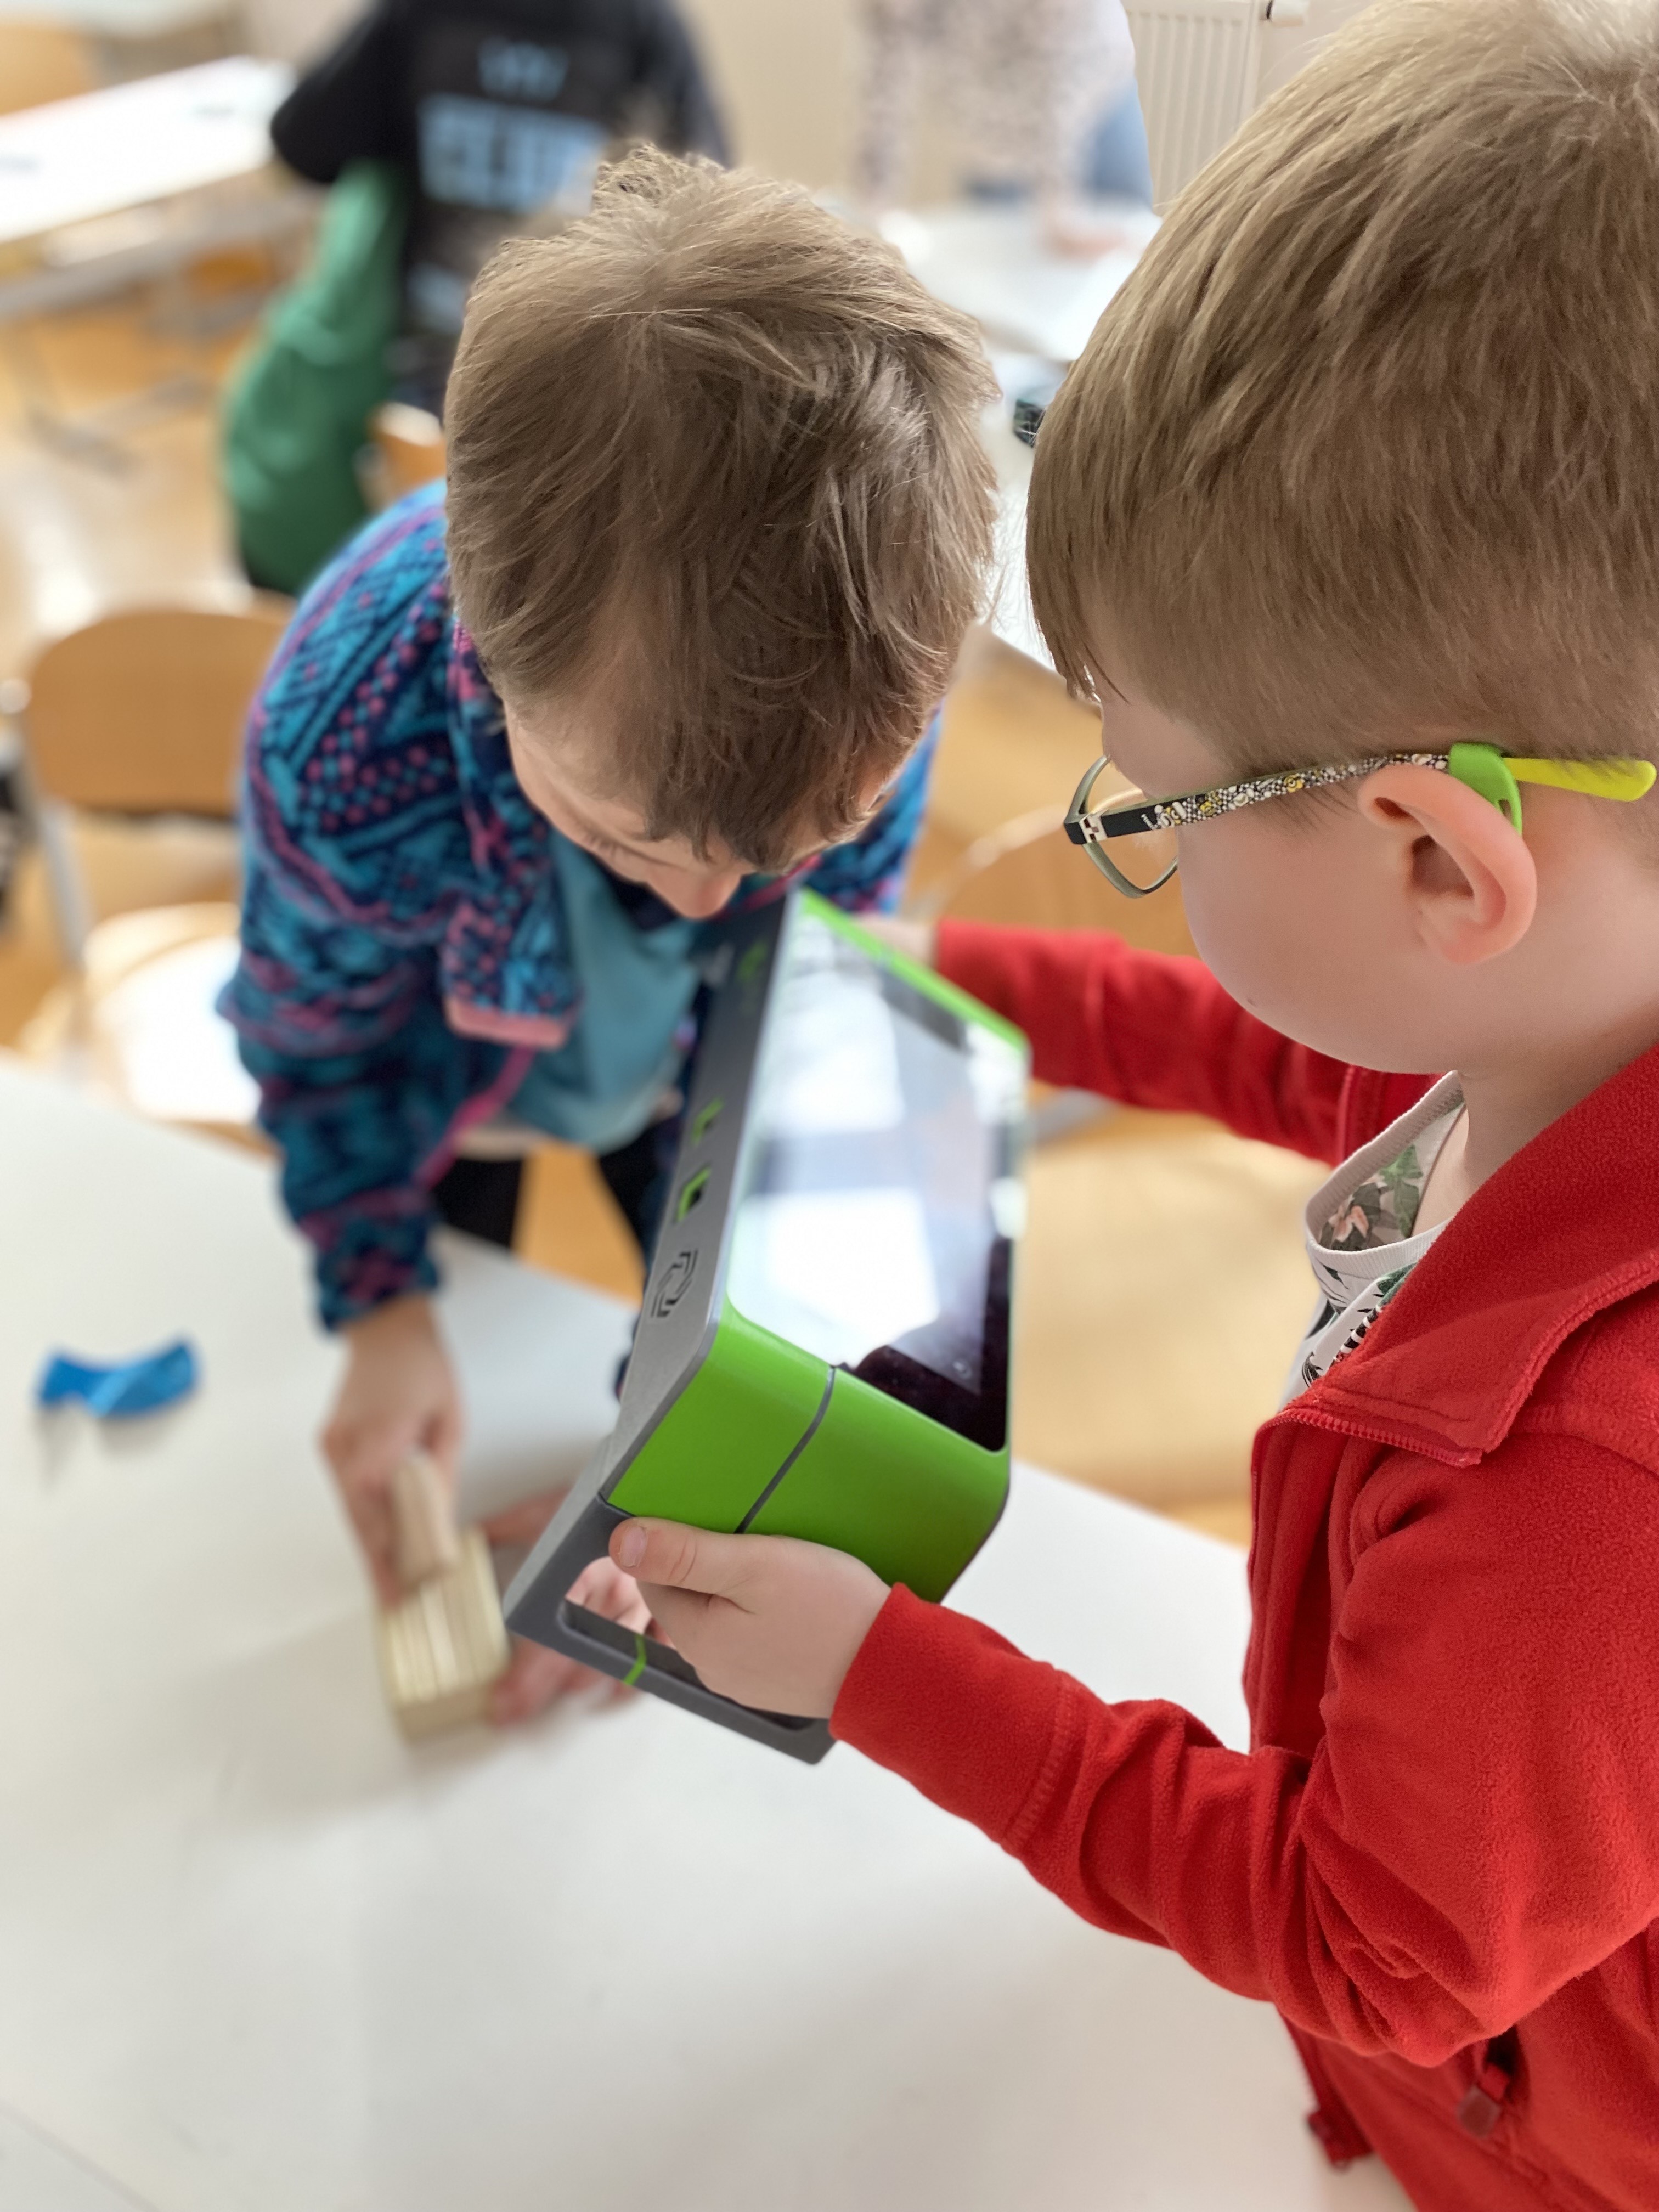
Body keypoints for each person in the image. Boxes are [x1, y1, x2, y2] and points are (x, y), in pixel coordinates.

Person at [597, 3, 1659, 2204]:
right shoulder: (1568, 1032)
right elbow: (1311, 1061)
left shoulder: (1585, 1483)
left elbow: (1369, 1939)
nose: (1133, 836)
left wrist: (885, 1671)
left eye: (1153, 808)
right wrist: (956, 976)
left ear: (1437, 863)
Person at [222, 150, 997, 1720]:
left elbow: (796, 1054)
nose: (708, 905)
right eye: (631, 840)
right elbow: (325, 1044)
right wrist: (382, 1298)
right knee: (471, 1313)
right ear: (487, 642)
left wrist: (686, 1458)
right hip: (446, 1079)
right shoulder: (340, 737)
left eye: (786, 850)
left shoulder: (865, 698)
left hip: (683, 1081)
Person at [268, 0, 729, 409]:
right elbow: (705, 184)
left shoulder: (421, 12)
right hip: (559, 362)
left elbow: (303, 144)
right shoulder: (641, 20)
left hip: (487, 356)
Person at [854, 0, 1153, 254]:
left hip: (1097, 96)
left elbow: (1058, 71)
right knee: (999, 272)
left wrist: (1059, 211)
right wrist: (873, 212)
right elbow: (882, 86)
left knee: (1130, 262)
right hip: (992, 139)